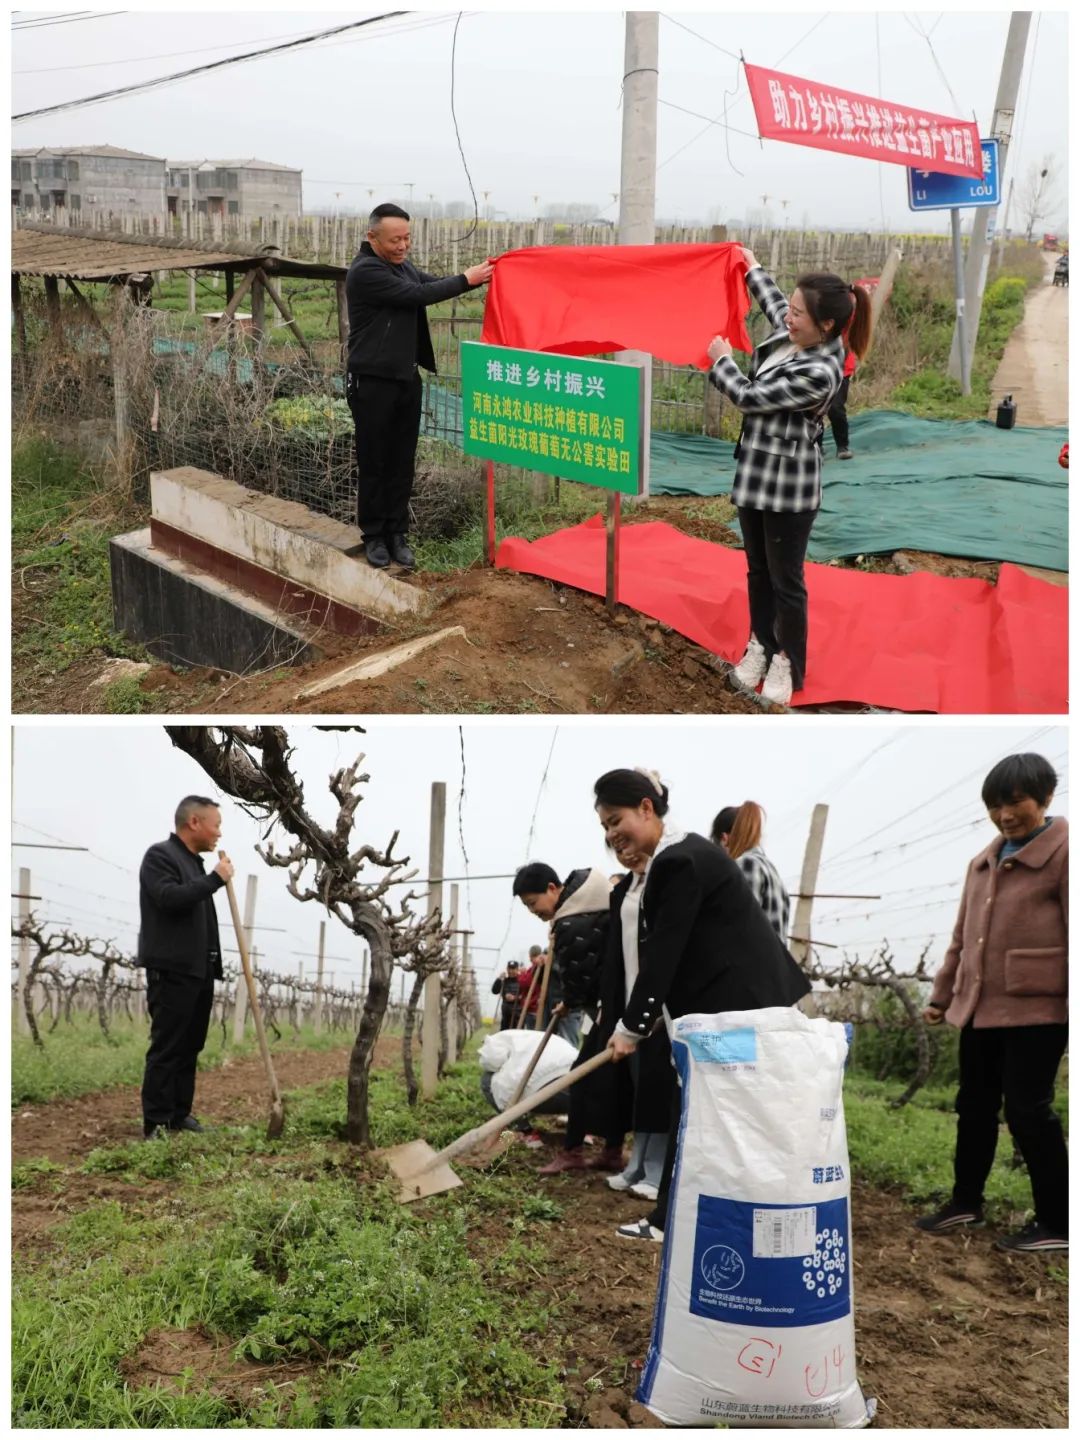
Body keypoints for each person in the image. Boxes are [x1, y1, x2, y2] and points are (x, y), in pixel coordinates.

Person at [593, 768, 811, 1243]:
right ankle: (669, 1219)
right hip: (730, 1009)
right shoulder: (682, 855)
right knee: (695, 1112)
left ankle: (715, 1219)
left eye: (616, 820)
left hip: (742, 1010)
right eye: (605, 827)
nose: (612, 835)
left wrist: (632, 1025)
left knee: (722, 1117)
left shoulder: (680, 861)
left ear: (647, 808)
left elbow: (664, 952)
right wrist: (652, 1021)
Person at [706, 247, 874, 705]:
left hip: (789, 490)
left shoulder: (820, 371)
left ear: (826, 326)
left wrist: (721, 359)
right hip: (755, 474)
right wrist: (751, 265)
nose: (788, 317)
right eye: (792, 308)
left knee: (786, 580)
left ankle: (787, 660)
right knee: (757, 571)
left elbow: (748, 395)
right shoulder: (801, 334)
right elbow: (775, 302)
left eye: (798, 313)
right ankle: (760, 642)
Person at [916, 753, 1068, 1253]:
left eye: (1016, 802)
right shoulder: (982, 863)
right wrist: (942, 996)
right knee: (974, 1107)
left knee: (1028, 1111)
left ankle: (1059, 1222)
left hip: (1039, 1009)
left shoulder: (1066, 854)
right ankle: (965, 1201)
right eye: (995, 806)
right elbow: (961, 938)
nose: (1005, 815)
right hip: (980, 1009)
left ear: (1044, 798)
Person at [345, 203, 495, 570]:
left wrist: (485, 274)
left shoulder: (402, 267)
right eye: (395, 239)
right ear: (372, 237)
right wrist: (466, 279)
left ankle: (398, 533)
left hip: (405, 380)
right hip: (372, 384)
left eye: (407, 238)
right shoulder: (365, 272)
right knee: (375, 462)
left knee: (402, 462)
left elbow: (428, 283)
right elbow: (417, 296)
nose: (403, 246)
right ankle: (374, 536)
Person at [512, 861, 625, 1174]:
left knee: (582, 1076)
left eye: (533, 903)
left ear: (552, 888)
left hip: (607, 1009)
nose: (533, 911)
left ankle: (573, 1151)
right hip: (614, 1004)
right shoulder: (590, 894)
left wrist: (571, 1001)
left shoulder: (570, 922)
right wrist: (569, 1002)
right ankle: (612, 1151)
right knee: (614, 1080)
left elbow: (581, 976)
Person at [137, 796, 234, 1141]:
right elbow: (168, 898)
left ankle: (179, 1113)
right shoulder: (161, 856)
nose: (219, 832)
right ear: (194, 822)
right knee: (168, 1046)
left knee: (191, 1045)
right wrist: (215, 880)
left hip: (198, 970)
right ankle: (157, 1122)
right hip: (172, 968)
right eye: (216, 824)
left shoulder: (193, 863)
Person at [599, 844, 672, 1203]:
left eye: (626, 841)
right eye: (615, 845)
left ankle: (658, 1170)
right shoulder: (623, 889)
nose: (623, 851)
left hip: (660, 1009)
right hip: (629, 1004)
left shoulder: (665, 880)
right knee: (640, 1089)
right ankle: (637, 1165)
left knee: (658, 1090)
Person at [710, 801, 791, 943]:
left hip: (753, 963)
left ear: (724, 839)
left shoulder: (746, 864)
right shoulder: (770, 870)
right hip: (774, 963)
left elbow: (739, 927)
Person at [491, 960, 523, 1030]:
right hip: (505, 1015)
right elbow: (494, 991)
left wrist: (514, 998)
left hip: (518, 1015)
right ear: (507, 969)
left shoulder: (522, 980)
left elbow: (525, 996)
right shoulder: (504, 981)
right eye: (509, 969)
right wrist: (499, 979)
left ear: (517, 969)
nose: (511, 971)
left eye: (513, 969)